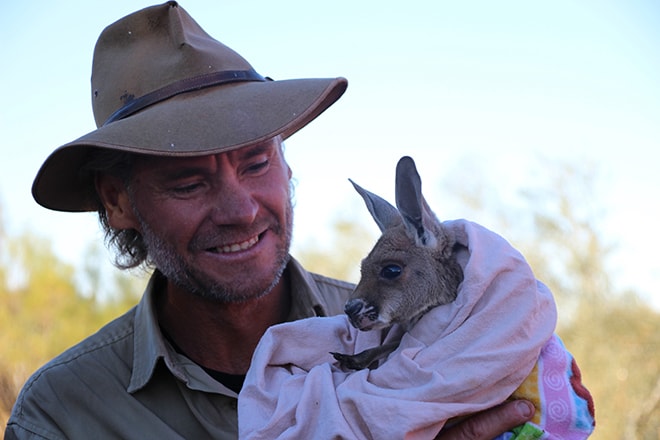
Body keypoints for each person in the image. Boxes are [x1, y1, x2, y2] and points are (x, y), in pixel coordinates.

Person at [5, 2, 534, 438]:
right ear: (117, 201)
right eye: (188, 183)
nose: (241, 210)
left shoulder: (441, 332)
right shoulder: (63, 414)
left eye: (256, 163)